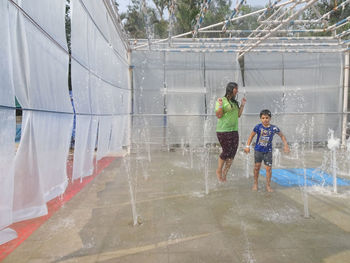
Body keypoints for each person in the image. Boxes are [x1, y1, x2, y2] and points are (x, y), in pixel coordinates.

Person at [244, 109, 290, 192]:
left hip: (268, 151)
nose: (265, 120)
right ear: (260, 119)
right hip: (258, 150)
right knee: (257, 167)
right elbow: (251, 136)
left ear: (270, 118)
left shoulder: (274, 128)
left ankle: (268, 186)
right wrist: (247, 146)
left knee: (268, 169)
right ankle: (255, 183)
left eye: (267, 118)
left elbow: (282, 136)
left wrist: (286, 145)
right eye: (263, 118)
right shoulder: (258, 127)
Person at [215, 82, 246, 182]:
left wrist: (242, 105)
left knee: (233, 152)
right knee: (226, 151)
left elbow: (238, 115)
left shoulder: (234, 102)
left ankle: (225, 173)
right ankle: (219, 171)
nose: (237, 90)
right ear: (231, 89)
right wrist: (220, 106)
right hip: (223, 130)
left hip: (234, 130)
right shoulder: (221, 100)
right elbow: (219, 115)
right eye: (236, 88)